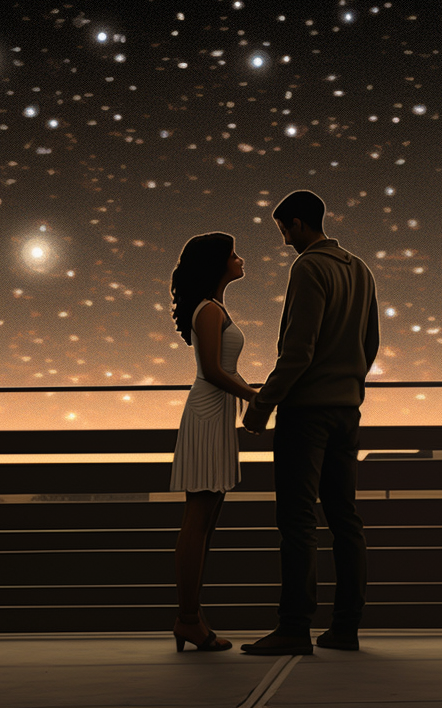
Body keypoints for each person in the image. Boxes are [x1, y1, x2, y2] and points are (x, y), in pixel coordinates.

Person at [240, 191, 379, 656]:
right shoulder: (360, 270)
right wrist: (350, 383)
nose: (283, 241)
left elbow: (297, 351)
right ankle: (346, 627)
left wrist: (261, 407)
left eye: (283, 230)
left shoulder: (308, 267)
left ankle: (294, 628)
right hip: (347, 409)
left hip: (307, 412)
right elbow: (371, 342)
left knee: (297, 520)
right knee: (345, 518)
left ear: (298, 224)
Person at [168, 232, 258, 652]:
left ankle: (193, 616)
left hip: (217, 414)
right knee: (198, 519)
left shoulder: (215, 308)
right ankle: (187, 618)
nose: (240, 259)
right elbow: (212, 372)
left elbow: (224, 371)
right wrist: (259, 397)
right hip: (207, 414)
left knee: (207, 520)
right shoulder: (208, 310)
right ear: (217, 263)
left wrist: (251, 393)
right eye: (233, 254)